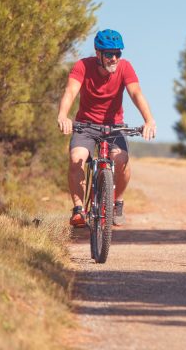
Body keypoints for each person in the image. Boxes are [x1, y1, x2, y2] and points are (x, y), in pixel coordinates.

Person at [57, 29, 156, 227]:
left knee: (121, 161)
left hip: (114, 127)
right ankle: (78, 209)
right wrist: (63, 115)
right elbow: (70, 91)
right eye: (109, 54)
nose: (114, 58)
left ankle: (116, 201)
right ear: (98, 53)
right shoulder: (83, 66)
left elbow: (135, 92)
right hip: (85, 125)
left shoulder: (125, 67)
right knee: (77, 159)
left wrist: (149, 120)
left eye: (117, 54)